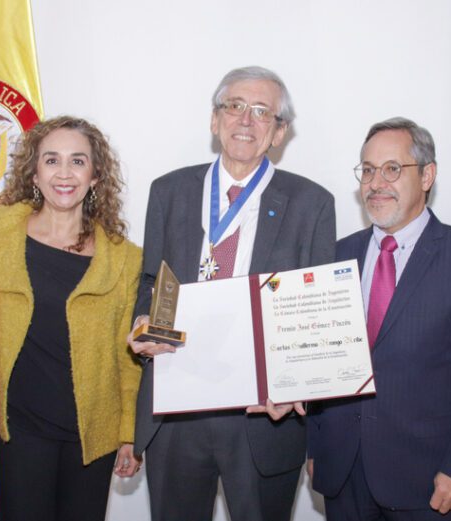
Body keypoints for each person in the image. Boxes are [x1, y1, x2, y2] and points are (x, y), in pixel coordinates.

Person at [127, 66, 335, 521]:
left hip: (262, 416)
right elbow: (150, 281)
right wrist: (144, 322)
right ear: (214, 119)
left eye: (261, 111)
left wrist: (297, 383)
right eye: (235, 106)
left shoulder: (312, 203)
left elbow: (316, 313)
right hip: (177, 410)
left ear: (279, 132)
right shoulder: (169, 191)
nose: (245, 119)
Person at [306, 118, 451, 520]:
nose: (376, 183)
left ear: (427, 175)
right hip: (342, 472)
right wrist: (316, 446)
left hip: (429, 480)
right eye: (368, 170)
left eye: (392, 169)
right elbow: (317, 360)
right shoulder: (335, 256)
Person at [0, 115, 142, 521]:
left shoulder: (125, 259)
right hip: (17, 432)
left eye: (78, 161)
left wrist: (129, 433)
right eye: (51, 160)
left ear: (95, 176)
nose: (64, 173)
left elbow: (129, 360)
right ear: (34, 173)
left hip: (90, 441)